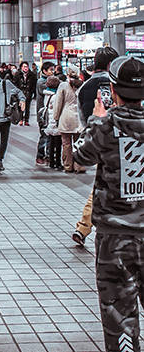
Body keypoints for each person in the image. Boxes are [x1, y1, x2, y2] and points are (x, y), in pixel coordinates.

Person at [72, 56, 144, 352]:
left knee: (120, 316)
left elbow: (80, 157)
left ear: (113, 90)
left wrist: (95, 118)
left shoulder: (105, 126)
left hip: (115, 237)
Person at [71, 46, 120, 246]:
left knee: (100, 184)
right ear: (110, 64)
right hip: (125, 142)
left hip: (97, 143)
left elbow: (83, 118)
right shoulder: (116, 83)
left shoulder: (85, 86)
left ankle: (83, 227)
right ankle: (85, 227)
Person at [53, 66, 85, 173]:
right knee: (79, 143)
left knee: (66, 143)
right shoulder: (82, 85)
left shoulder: (63, 85)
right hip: (79, 118)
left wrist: (56, 117)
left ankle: (68, 166)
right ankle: (79, 166)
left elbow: (58, 103)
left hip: (66, 117)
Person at [35, 61, 56, 166]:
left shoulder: (49, 80)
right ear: (44, 71)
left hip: (50, 113)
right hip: (43, 114)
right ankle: (40, 156)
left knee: (49, 136)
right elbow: (49, 89)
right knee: (44, 135)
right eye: (51, 70)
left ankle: (48, 156)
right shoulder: (41, 82)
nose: (53, 72)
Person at [44, 76, 63, 171]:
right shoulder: (55, 96)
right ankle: (58, 162)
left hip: (49, 121)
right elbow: (57, 109)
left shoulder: (47, 94)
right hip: (55, 121)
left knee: (51, 143)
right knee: (58, 143)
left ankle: (51, 161)